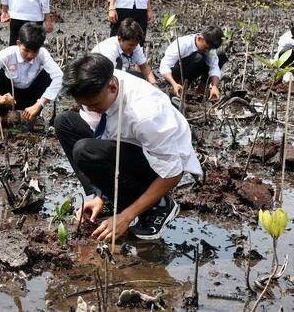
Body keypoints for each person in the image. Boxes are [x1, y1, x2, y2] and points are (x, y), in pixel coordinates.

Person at [55, 53, 202, 241]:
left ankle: (160, 206)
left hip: (159, 163)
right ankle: (108, 197)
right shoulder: (97, 85)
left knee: (86, 151)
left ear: (113, 87)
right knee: (65, 122)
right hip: (129, 144)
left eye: (94, 105)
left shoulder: (145, 114)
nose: (90, 109)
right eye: (84, 105)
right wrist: (100, 195)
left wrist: (127, 216)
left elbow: (174, 172)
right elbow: (101, 131)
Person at [0, 22, 63, 129]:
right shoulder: (7, 54)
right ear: (18, 43)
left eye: (35, 51)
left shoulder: (43, 54)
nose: (30, 55)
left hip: (31, 97)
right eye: (26, 50)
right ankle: (3, 116)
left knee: (48, 75)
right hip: (9, 98)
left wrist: (40, 104)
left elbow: (59, 77)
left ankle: (33, 116)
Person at [159, 25, 227, 101]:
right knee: (199, 57)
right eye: (206, 48)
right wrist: (174, 83)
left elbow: (214, 67)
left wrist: (214, 86)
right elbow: (164, 66)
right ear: (199, 38)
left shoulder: (209, 48)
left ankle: (201, 88)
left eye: (210, 49)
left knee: (221, 56)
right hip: (175, 74)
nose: (208, 51)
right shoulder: (183, 44)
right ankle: (180, 88)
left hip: (192, 69)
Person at [91, 18, 158, 85]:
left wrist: (154, 85)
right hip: (97, 76)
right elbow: (109, 77)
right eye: (131, 45)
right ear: (120, 39)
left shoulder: (135, 45)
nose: (133, 48)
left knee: (142, 78)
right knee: (119, 63)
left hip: (115, 72)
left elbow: (145, 67)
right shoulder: (110, 49)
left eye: (135, 45)